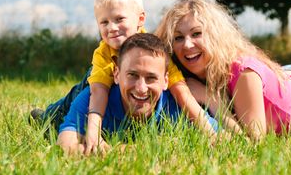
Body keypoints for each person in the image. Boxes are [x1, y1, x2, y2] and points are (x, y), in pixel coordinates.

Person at [32, 0, 216, 154]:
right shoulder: (102, 54)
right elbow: (96, 93)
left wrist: (210, 132)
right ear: (117, 73)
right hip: (91, 88)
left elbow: (181, 91)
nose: (112, 28)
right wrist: (94, 133)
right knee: (59, 115)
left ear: (140, 19)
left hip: (120, 91)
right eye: (104, 22)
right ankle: (44, 117)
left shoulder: (154, 53)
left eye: (119, 19)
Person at [155, 0, 291, 141]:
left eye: (196, 33)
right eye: (178, 37)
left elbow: (254, 143)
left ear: (215, 36)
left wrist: (210, 99)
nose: (187, 45)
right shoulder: (193, 73)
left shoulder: (243, 73)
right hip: (289, 79)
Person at [57, 33, 218, 155]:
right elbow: (65, 145)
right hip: (64, 107)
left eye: (151, 78)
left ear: (165, 80)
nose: (141, 88)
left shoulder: (177, 108)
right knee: (53, 116)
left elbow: (220, 137)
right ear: (117, 74)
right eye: (132, 75)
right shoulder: (92, 99)